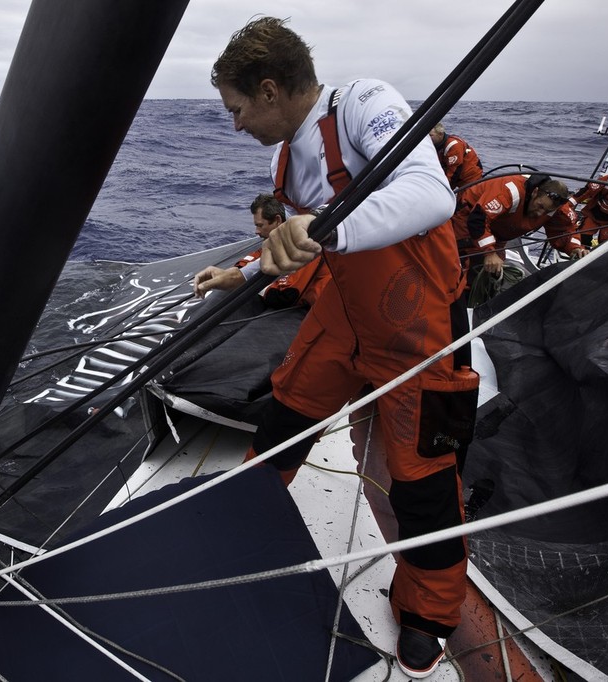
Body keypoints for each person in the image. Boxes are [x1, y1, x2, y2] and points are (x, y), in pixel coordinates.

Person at [208, 17, 477, 678]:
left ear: (270, 91)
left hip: (420, 329)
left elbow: (429, 196)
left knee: (423, 486)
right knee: (280, 424)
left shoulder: (362, 103)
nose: (235, 124)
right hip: (343, 316)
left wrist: (325, 231)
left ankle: (426, 616)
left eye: (237, 109)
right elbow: (293, 242)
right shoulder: (282, 156)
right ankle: (242, 532)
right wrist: (242, 272)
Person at [195, 193, 332, 309]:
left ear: (277, 220)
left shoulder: (307, 244)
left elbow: (286, 296)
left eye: (260, 225)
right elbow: (251, 264)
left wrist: (248, 284)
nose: (257, 231)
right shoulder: (274, 242)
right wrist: (229, 275)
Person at [452, 174, 587, 282]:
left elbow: (566, 231)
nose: (540, 213)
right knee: (464, 266)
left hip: (500, 233)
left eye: (546, 211)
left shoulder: (558, 209)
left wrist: (575, 249)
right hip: (467, 220)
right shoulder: (509, 191)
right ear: (535, 192)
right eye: (540, 206)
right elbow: (477, 220)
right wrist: (489, 253)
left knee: (494, 273)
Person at [429, 122, 483, 191]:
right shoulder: (437, 146)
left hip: (470, 180)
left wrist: (444, 190)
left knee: (465, 199)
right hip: (460, 182)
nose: (428, 138)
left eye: (431, 135)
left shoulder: (453, 146)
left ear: (440, 134)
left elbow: (454, 172)